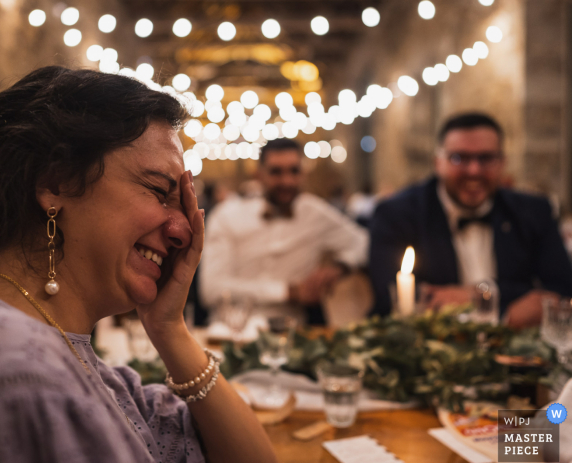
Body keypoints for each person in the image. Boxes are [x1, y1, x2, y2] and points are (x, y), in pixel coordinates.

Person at [0, 66, 277, 463]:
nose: (183, 231)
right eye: (159, 192)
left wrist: (169, 330)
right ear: (57, 184)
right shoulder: (4, 362)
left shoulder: (82, 366)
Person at [369, 112, 572, 327]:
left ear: (502, 163)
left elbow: (562, 291)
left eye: (486, 158)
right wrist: (512, 306)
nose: (474, 170)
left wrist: (476, 294)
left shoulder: (534, 211)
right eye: (459, 158)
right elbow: (389, 295)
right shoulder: (396, 214)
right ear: (438, 163)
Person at [199, 138, 369, 323]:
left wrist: (340, 267)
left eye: (294, 171)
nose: (287, 181)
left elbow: (363, 242)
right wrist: (288, 292)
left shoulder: (314, 213)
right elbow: (211, 289)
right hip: (229, 332)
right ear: (259, 175)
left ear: (303, 173)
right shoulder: (226, 217)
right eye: (276, 172)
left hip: (294, 334)